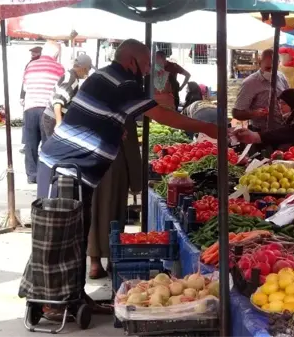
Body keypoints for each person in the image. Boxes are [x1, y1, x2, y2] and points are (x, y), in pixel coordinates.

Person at [30, 39, 217, 314]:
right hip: (66, 168)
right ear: (131, 61)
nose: (145, 72)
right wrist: (209, 128)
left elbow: (96, 115)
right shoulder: (122, 81)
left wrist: (113, 128)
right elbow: (164, 116)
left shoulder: (102, 76)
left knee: (76, 237)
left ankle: (74, 296)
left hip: (70, 167)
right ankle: (51, 304)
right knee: (60, 238)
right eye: (144, 66)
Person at [88, 118, 141, 279]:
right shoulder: (123, 109)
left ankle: (94, 262)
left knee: (92, 211)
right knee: (115, 211)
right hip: (113, 162)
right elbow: (130, 145)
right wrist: (136, 182)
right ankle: (113, 259)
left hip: (88, 161)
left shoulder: (88, 102)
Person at [21, 41, 65, 184]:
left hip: (30, 108)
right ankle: (47, 174)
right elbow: (60, 91)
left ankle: (32, 175)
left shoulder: (30, 66)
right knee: (48, 143)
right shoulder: (59, 68)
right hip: (48, 110)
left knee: (30, 143)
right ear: (56, 54)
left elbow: (26, 87)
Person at [233, 49, 290, 132]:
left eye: (274, 69)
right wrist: (254, 113)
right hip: (261, 132)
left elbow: (288, 98)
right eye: (268, 68)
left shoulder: (281, 77)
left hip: (282, 129)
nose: (271, 72)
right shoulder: (250, 83)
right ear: (260, 63)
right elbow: (236, 113)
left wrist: (288, 108)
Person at [41, 54, 94, 140]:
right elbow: (57, 101)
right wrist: (58, 122)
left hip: (50, 117)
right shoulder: (72, 80)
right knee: (55, 150)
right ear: (84, 68)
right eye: (89, 69)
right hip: (53, 119)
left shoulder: (70, 76)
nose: (88, 72)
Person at [20, 46, 43, 154]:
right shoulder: (29, 64)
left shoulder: (41, 64)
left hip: (41, 99)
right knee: (27, 124)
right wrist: (22, 96)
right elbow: (24, 82)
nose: (33, 54)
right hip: (30, 98)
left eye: (35, 52)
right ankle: (27, 145)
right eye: (32, 52)